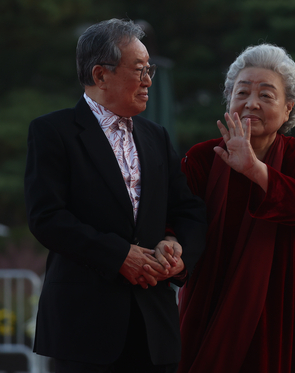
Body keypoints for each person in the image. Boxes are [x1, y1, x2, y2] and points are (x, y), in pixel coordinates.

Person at [24, 18, 207, 373]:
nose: (148, 80)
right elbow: (46, 217)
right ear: (100, 75)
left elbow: (189, 210)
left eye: (149, 69)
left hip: (155, 328)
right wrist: (119, 255)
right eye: (139, 69)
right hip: (84, 327)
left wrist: (179, 251)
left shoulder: (157, 136)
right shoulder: (52, 132)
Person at [177, 43, 295, 373]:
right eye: (242, 92)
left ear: (289, 108)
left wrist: (253, 169)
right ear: (229, 100)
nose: (251, 103)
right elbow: (179, 221)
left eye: (266, 95)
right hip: (212, 300)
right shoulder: (203, 156)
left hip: (282, 303)